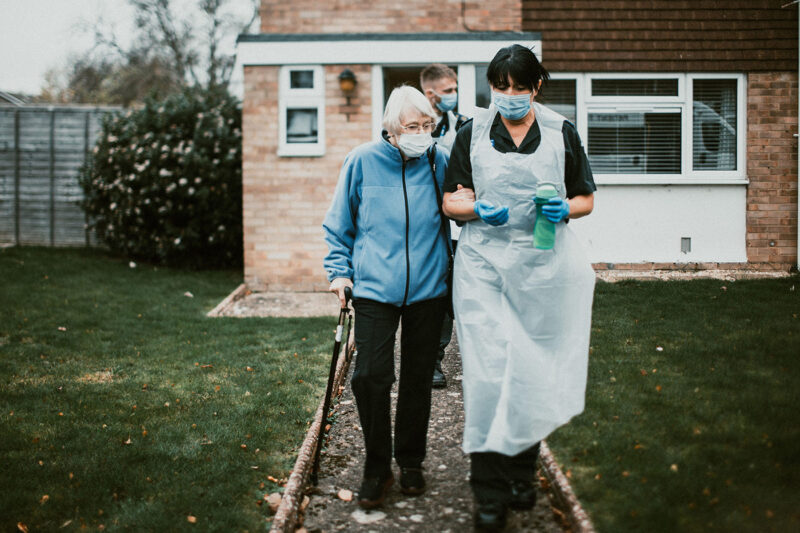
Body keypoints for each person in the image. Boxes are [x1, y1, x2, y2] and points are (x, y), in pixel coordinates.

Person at [442, 45, 596, 532]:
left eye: (519, 87)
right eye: (500, 87)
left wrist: (565, 210)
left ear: (537, 87)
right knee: (489, 376)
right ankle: (488, 493)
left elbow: (586, 197)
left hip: (542, 267)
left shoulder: (560, 131)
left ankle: (521, 473)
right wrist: (473, 209)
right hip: (484, 268)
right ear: (492, 87)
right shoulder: (471, 134)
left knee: (531, 370)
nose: (508, 96)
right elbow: (451, 200)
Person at [322, 85, 451, 509]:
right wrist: (339, 273)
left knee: (418, 380)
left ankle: (411, 461)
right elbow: (339, 223)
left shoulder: (438, 160)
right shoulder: (362, 161)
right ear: (391, 130)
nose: (421, 133)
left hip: (429, 290)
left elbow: (459, 208)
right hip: (375, 289)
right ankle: (378, 468)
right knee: (369, 377)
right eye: (412, 126)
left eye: (427, 125)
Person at [420, 63, 469, 389]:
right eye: (448, 90)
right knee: (434, 299)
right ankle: (431, 362)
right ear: (431, 93)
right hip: (427, 228)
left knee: (457, 295)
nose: (453, 96)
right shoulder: (414, 130)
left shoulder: (464, 126)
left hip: (460, 227)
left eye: (454, 90)